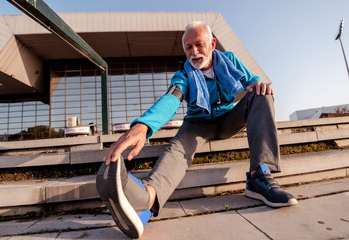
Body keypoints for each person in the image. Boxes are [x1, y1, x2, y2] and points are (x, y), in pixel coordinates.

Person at [96, 21, 298, 238]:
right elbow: (172, 98)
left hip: (229, 118)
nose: (194, 52)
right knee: (177, 151)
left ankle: (259, 175)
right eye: (188, 47)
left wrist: (259, 84)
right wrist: (144, 125)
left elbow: (252, 81)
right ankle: (146, 201)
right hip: (197, 124)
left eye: (199, 45)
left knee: (262, 94)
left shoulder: (229, 60)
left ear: (212, 44)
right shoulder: (183, 74)